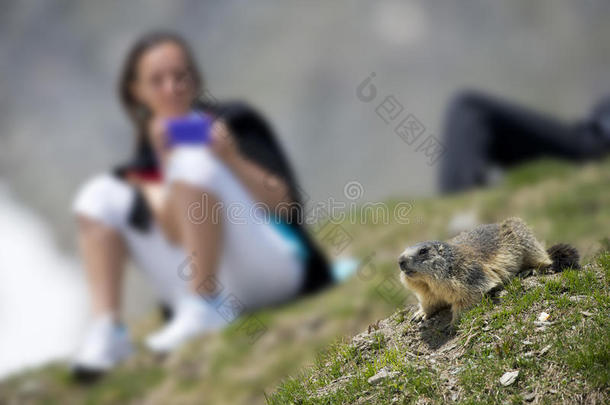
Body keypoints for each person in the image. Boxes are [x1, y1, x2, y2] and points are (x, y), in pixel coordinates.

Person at [71, 30, 332, 377]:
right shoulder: (147, 156)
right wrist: (164, 166)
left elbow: (286, 205)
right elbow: (172, 232)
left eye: (180, 76)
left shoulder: (234, 121)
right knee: (98, 194)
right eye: (157, 80)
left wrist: (232, 159)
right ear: (137, 92)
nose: (171, 88)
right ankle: (107, 328)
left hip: (272, 265)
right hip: (211, 274)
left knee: (193, 163)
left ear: (195, 79)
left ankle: (203, 301)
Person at [439, 90, 610, 193]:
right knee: (467, 109)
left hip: (598, 142)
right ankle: (464, 213)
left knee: (468, 107)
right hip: (594, 133)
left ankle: (461, 218)